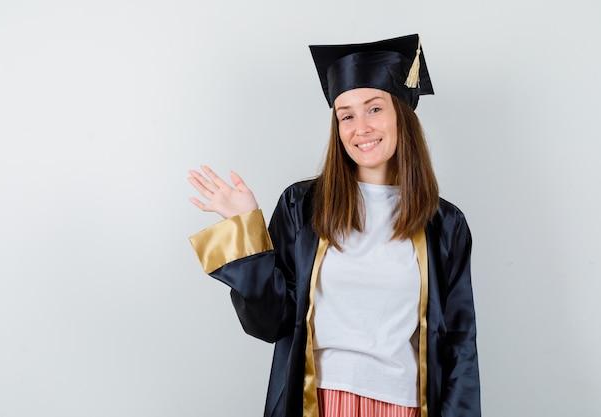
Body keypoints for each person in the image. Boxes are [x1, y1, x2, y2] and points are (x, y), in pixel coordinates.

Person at [188, 34, 480, 417]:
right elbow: (268, 322)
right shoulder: (303, 206)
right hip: (317, 400)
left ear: (401, 116)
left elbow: (459, 344)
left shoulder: (443, 223)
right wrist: (246, 230)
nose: (360, 127)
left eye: (374, 109)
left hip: (404, 405)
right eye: (346, 114)